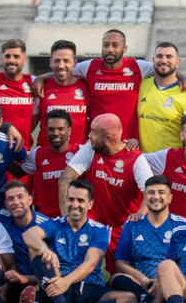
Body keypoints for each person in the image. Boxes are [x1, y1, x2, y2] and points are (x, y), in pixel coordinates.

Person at [66, 28, 186, 147]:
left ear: (124, 48)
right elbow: (64, 72)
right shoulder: (89, 67)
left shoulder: (138, 67)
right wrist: (44, 78)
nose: (110, 49)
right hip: (98, 143)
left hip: (128, 144)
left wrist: (184, 78)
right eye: (106, 45)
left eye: (115, 45)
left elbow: (163, 68)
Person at [60, 113, 151, 269]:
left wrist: (139, 215)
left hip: (122, 226)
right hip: (95, 220)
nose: (89, 136)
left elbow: (150, 194)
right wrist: (65, 217)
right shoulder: (91, 148)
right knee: (73, 263)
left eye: (94, 132)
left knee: (120, 275)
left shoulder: (136, 159)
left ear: (108, 138)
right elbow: (65, 178)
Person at [19, 180, 112, 303]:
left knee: (128, 300)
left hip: (88, 286)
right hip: (58, 285)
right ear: (65, 201)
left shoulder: (99, 230)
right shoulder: (55, 224)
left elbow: (91, 263)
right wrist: (44, 248)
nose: (75, 205)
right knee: (34, 247)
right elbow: (28, 235)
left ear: (90, 204)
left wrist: (66, 281)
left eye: (80, 200)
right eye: (71, 199)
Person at [106, 176, 186, 303]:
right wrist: (144, 280)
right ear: (145, 198)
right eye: (151, 192)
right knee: (116, 278)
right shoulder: (132, 224)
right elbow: (121, 263)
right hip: (142, 285)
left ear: (170, 198)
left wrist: (162, 281)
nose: (156, 197)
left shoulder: (183, 225)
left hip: (171, 283)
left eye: (161, 192)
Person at [136, 42, 186, 153]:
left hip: (170, 164)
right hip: (142, 161)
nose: (163, 60)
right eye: (159, 56)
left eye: (169, 57)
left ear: (177, 62)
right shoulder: (141, 85)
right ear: (153, 60)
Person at [20, 109, 81, 218]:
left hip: (74, 220)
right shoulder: (38, 154)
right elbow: (18, 172)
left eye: (60, 129)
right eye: (51, 129)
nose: (55, 133)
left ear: (69, 131)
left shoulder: (80, 153)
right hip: (47, 221)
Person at [38, 40, 89, 146]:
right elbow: (27, 125)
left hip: (78, 157)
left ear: (75, 63)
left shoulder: (87, 87)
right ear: (50, 62)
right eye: (57, 61)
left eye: (66, 61)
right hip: (46, 158)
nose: (61, 65)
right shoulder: (40, 88)